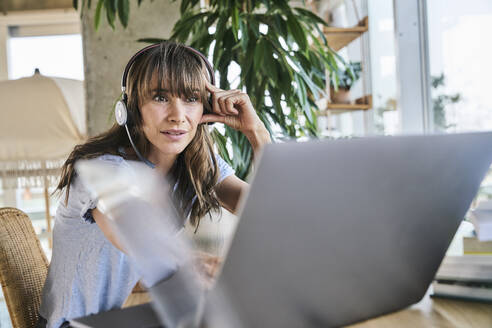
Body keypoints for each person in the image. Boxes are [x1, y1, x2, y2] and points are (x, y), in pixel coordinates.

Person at [36, 41, 270, 328]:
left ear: (205, 108)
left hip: (114, 319)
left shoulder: (196, 164)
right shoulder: (101, 168)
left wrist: (255, 131)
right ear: (131, 108)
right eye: (160, 98)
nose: (177, 115)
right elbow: (129, 224)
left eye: (191, 99)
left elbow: (268, 208)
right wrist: (188, 265)